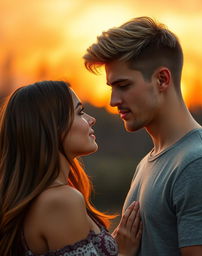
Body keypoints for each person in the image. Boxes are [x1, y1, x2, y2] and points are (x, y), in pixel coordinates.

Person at [83, 16, 202, 256]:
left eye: (124, 86)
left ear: (162, 79)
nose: (113, 101)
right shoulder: (151, 161)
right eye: (111, 87)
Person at [0, 80, 142, 256]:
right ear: (53, 127)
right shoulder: (61, 201)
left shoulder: (40, 198)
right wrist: (125, 253)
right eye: (80, 112)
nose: (92, 119)